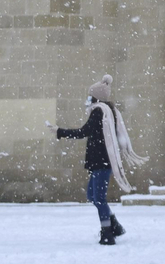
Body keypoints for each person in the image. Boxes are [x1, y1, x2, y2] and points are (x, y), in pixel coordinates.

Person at [48, 75, 143, 244]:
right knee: (92, 196)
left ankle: (107, 233)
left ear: (95, 97)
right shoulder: (104, 111)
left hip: (101, 162)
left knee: (98, 198)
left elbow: (83, 132)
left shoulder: (99, 112)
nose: (87, 99)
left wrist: (59, 131)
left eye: (89, 96)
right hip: (100, 161)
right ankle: (114, 225)